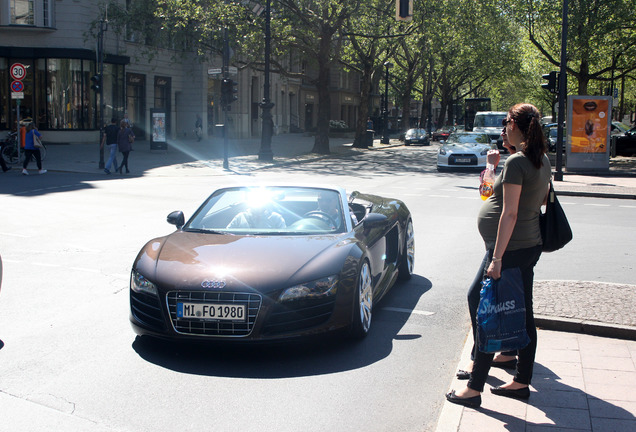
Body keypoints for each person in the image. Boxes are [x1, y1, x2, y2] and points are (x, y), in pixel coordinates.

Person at [446, 103, 552, 408]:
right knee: (521, 311)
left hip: (510, 249)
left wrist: (497, 258)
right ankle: (519, 377)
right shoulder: (540, 160)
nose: (503, 127)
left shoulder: (519, 162)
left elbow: (510, 213)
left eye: (506, 122)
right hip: (526, 245)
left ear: (517, 126)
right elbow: (541, 199)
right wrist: (496, 167)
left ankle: (475, 388)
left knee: (485, 307)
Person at [456, 123, 520, 380]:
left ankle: (480, 358)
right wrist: (492, 166)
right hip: (500, 243)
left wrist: (491, 168)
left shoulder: (517, 164)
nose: (502, 135)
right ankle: (508, 352)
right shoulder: (514, 162)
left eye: (506, 130)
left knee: (478, 297)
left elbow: (487, 194)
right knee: (503, 297)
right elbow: (489, 197)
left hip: (503, 245)